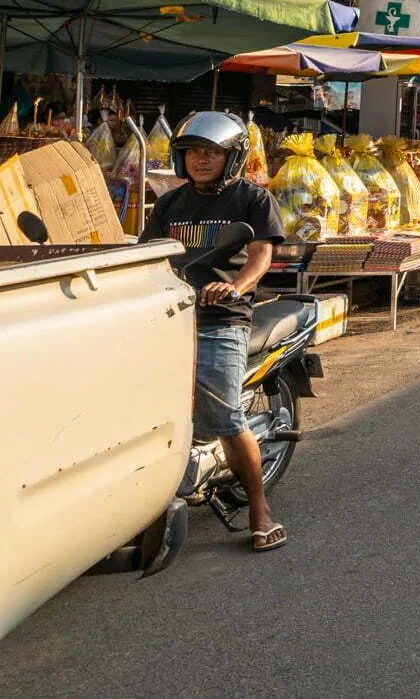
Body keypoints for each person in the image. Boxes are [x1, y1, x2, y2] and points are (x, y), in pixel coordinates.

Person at [142, 111, 288, 551]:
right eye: (191, 153)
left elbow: (261, 254)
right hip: (173, 314)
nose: (200, 160)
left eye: (211, 152)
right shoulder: (169, 203)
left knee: (225, 418)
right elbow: (149, 255)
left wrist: (235, 286)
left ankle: (260, 509)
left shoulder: (252, 200)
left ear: (232, 157)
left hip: (222, 317)